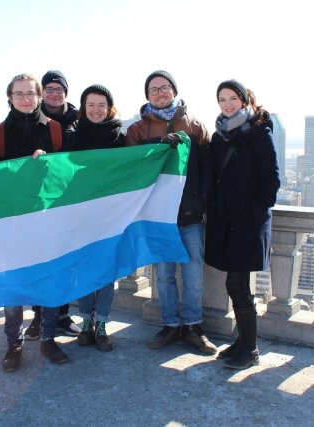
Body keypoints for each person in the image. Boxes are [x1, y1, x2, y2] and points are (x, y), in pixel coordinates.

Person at [125, 70, 217, 355]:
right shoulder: (137, 131)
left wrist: (201, 203)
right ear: (147, 96)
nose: (160, 93)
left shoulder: (195, 125)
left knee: (193, 274)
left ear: (174, 91)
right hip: (158, 217)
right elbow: (133, 171)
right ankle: (170, 324)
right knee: (163, 274)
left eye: (165, 87)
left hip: (189, 215)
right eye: (154, 89)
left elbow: (207, 168)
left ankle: (192, 326)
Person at [0, 73, 69, 371]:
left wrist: (51, 164)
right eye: (18, 93)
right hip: (11, 223)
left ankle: (48, 338)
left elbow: (69, 177)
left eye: (30, 94)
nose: (25, 99)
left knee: (50, 280)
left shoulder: (56, 131)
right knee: (14, 287)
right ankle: (14, 343)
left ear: (38, 96)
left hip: (48, 220)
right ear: (9, 97)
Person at [204, 79, 280, 369]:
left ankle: (251, 349)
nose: (227, 104)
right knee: (237, 286)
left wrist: (254, 210)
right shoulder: (219, 135)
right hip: (226, 219)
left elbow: (271, 181)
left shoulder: (260, 134)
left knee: (237, 284)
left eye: (232, 98)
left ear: (245, 99)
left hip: (248, 223)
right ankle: (242, 342)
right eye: (222, 99)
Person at [23, 70, 82, 340]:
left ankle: (61, 314)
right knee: (41, 261)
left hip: (70, 200)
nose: (54, 93)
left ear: (66, 93)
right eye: (49, 89)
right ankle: (39, 315)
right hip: (41, 203)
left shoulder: (78, 119)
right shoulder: (33, 120)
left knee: (66, 262)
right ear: (41, 92)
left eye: (59, 89)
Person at [69, 84, 125, 351]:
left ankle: (102, 325)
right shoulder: (72, 134)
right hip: (79, 214)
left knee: (105, 274)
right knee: (82, 271)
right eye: (90, 104)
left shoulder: (119, 136)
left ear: (109, 107)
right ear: (83, 107)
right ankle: (86, 323)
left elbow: (132, 167)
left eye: (101, 104)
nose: (96, 109)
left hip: (109, 215)